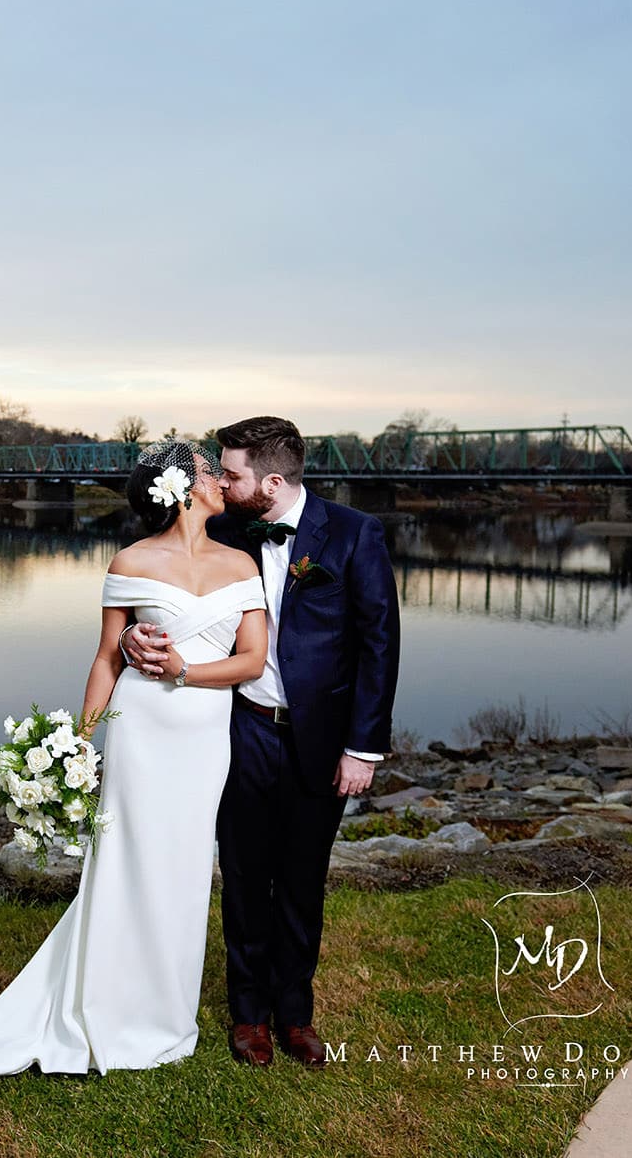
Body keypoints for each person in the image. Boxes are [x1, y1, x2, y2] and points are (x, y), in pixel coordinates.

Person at [0, 441, 268, 1078]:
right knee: (127, 863)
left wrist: (187, 671)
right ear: (181, 489)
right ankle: (105, 1009)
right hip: (142, 731)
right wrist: (79, 744)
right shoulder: (131, 561)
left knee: (186, 867)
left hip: (205, 734)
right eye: (209, 470)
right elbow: (107, 658)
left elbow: (252, 662)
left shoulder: (241, 563)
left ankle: (165, 1015)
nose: (220, 479)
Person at [122, 416, 400, 1068]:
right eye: (216, 470)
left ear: (272, 481)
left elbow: (379, 643)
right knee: (245, 875)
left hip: (321, 739)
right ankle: (248, 1014)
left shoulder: (356, 533)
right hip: (238, 728)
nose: (221, 479)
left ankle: (295, 1014)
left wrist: (364, 747)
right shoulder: (217, 526)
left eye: (233, 472)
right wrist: (136, 634)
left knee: (303, 879)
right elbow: (150, 581)